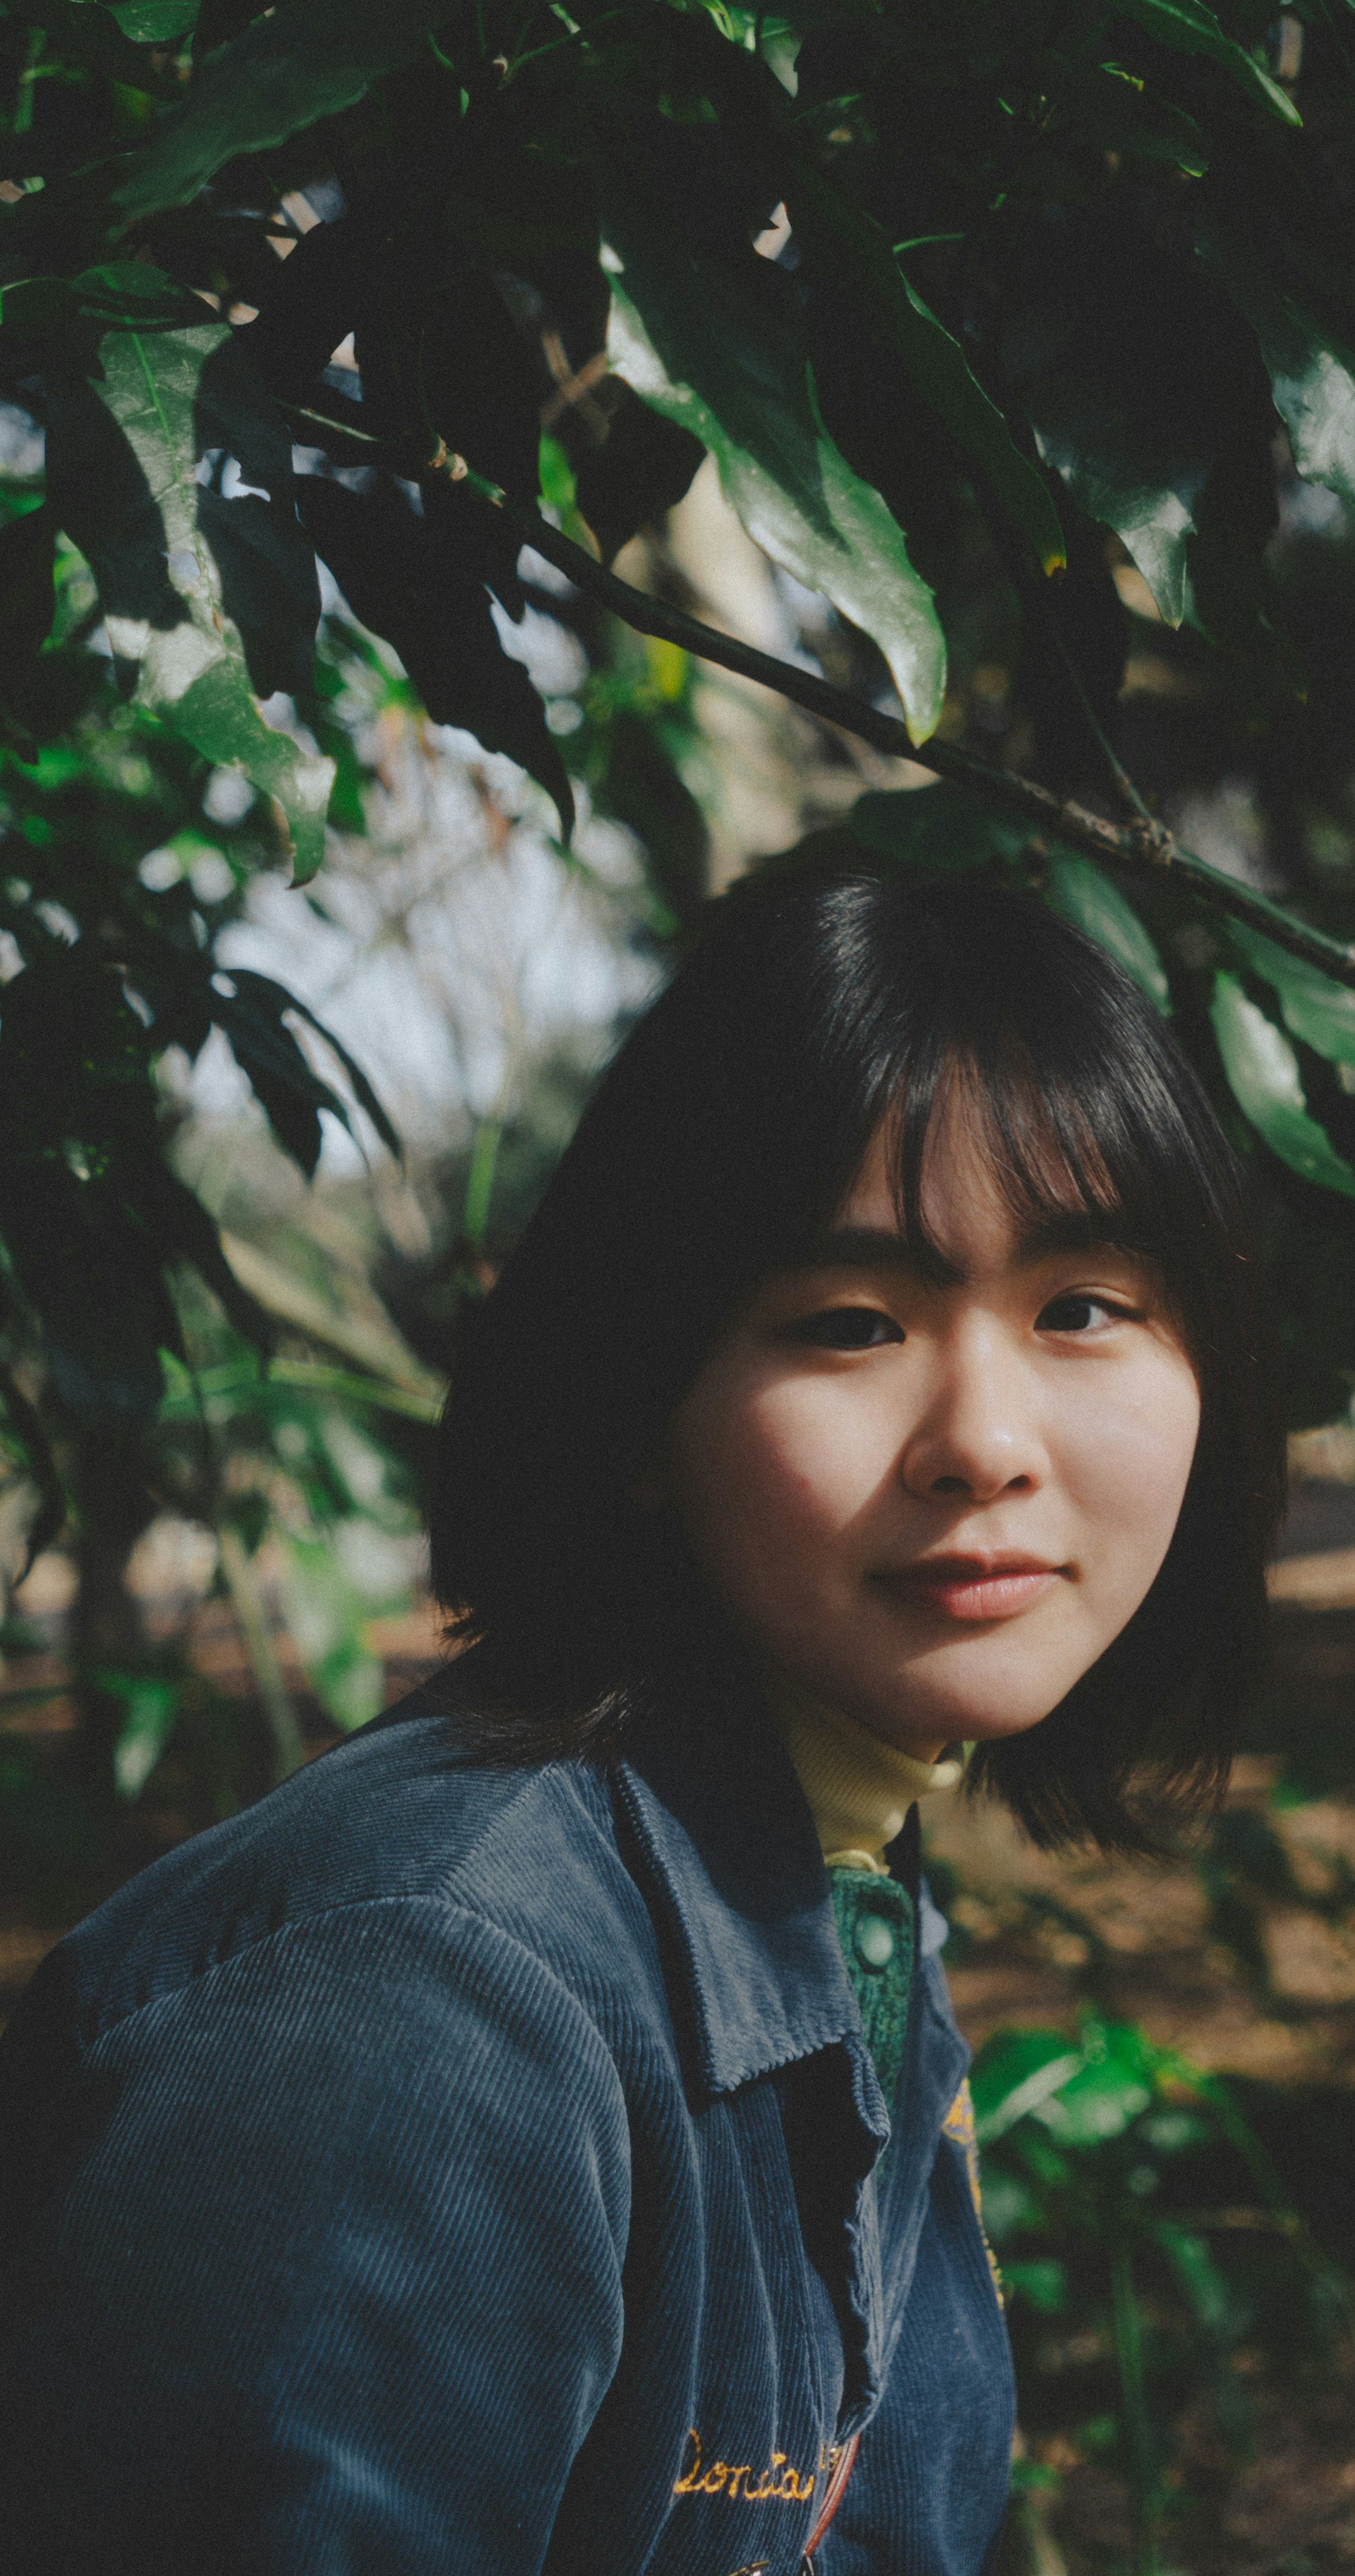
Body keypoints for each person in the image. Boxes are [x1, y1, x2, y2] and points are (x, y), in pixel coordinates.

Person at [0, 865, 1284, 2575]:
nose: (986, 1438)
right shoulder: (436, 2004)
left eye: (1085, 1311)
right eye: (851, 1324)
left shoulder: (838, 1879)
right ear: (640, 1405)